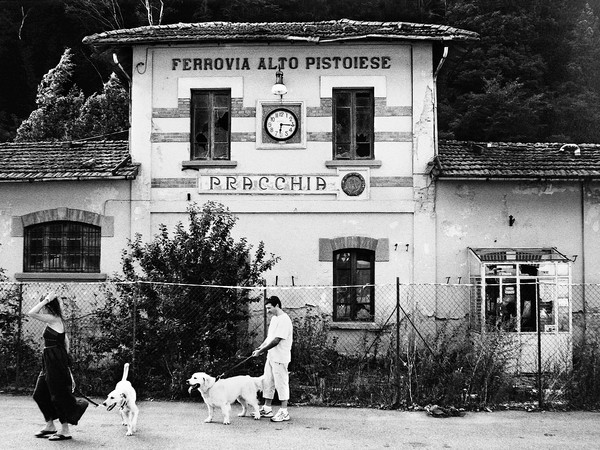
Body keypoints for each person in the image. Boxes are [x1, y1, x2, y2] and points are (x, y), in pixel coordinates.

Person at [27, 292, 88, 441]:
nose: (41, 308)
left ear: (48, 306)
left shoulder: (53, 318)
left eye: (44, 305)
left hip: (54, 361)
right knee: (39, 393)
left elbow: (31, 313)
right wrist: (64, 359)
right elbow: (65, 340)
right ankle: (50, 425)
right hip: (50, 360)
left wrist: (46, 300)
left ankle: (65, 430)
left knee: (57, 395)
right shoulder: (53, 321)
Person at [252, 296, 293, 422]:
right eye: (267, 308)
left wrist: (261, 351)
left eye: (269, 308)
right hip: (271, 356)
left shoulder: (284, 320)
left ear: (277, 306)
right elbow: (270, 337)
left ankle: (284, 412)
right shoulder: (275, 319)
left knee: (281, 383)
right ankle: (267, 408)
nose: (268, 311)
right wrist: (260, 347)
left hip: (280, 357)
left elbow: (276, 340)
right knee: (268, 381)